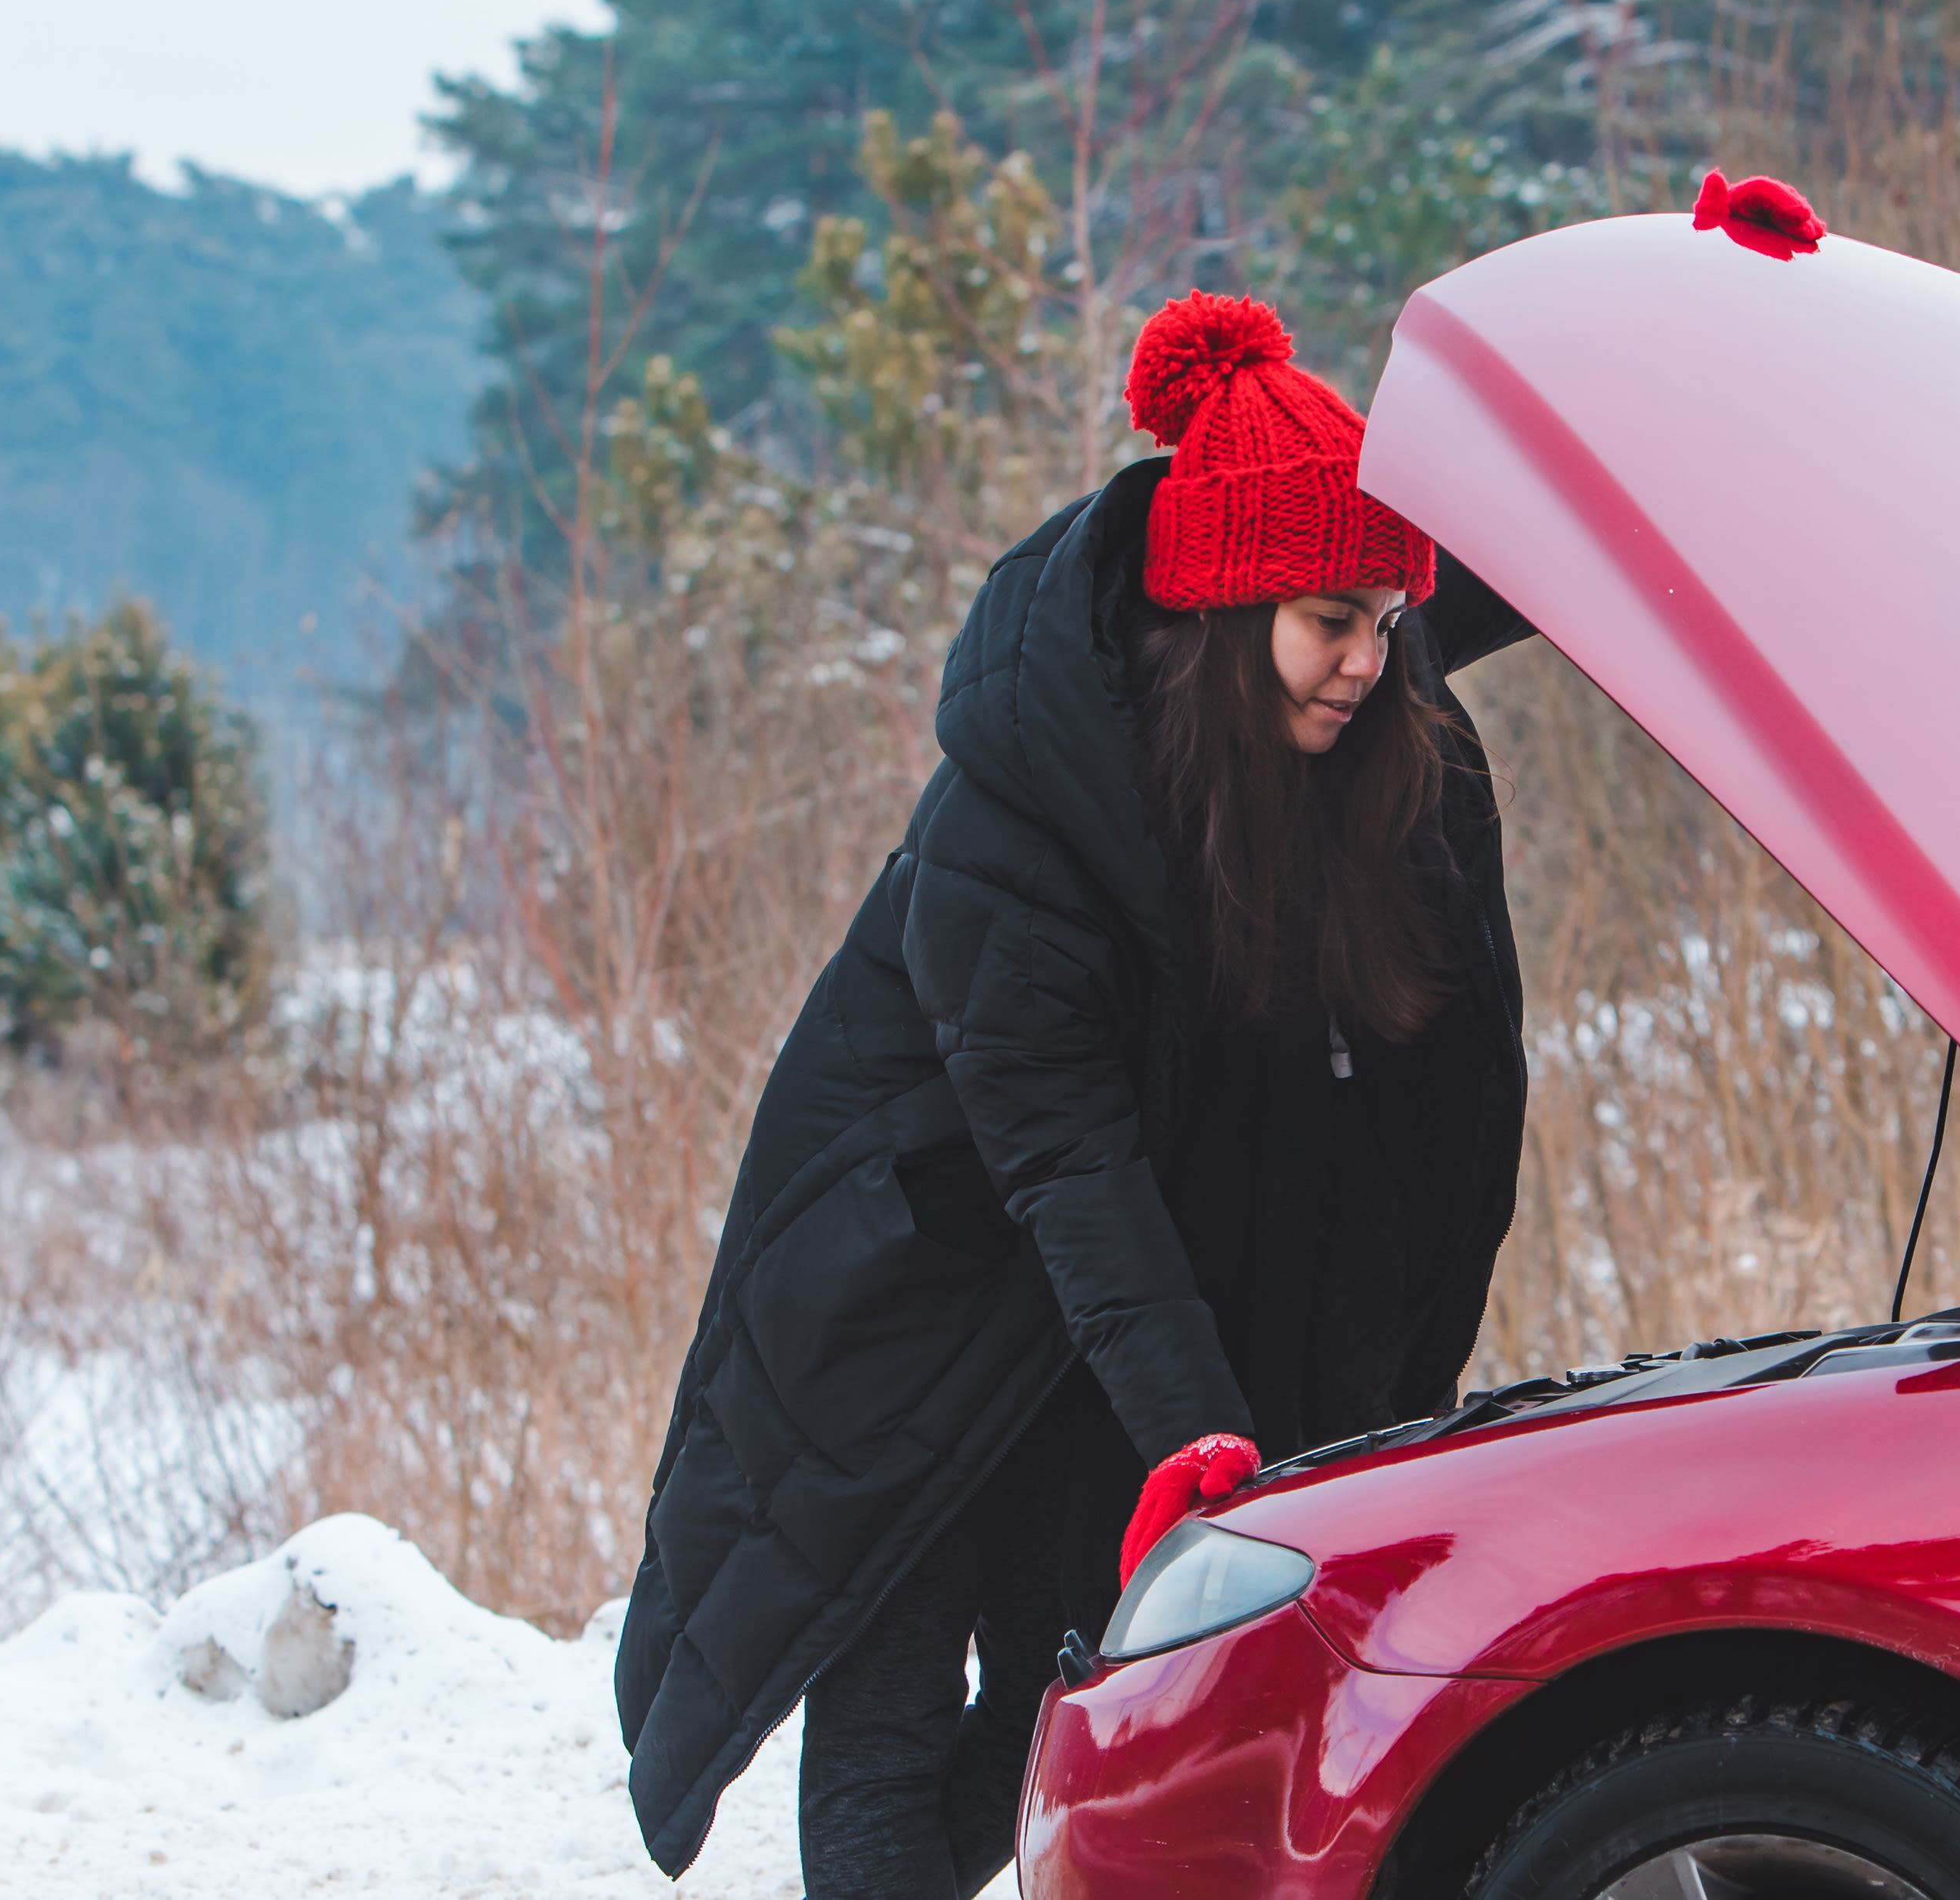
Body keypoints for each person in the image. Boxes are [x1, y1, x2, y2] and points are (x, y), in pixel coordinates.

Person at [614, 291, 1537, 1896]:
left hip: (1099, 1296)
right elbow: (1068, 1167)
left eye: (1389, 620)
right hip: (914, 1282)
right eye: (1335, 619)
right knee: (893, 1715)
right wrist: (1197, 1427)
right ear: (1223, 606)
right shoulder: (1019, 819)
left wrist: (1698, 402)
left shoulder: (1342, 726)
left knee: (1077, 1692)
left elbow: (1519, 576)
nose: (1368, 659)